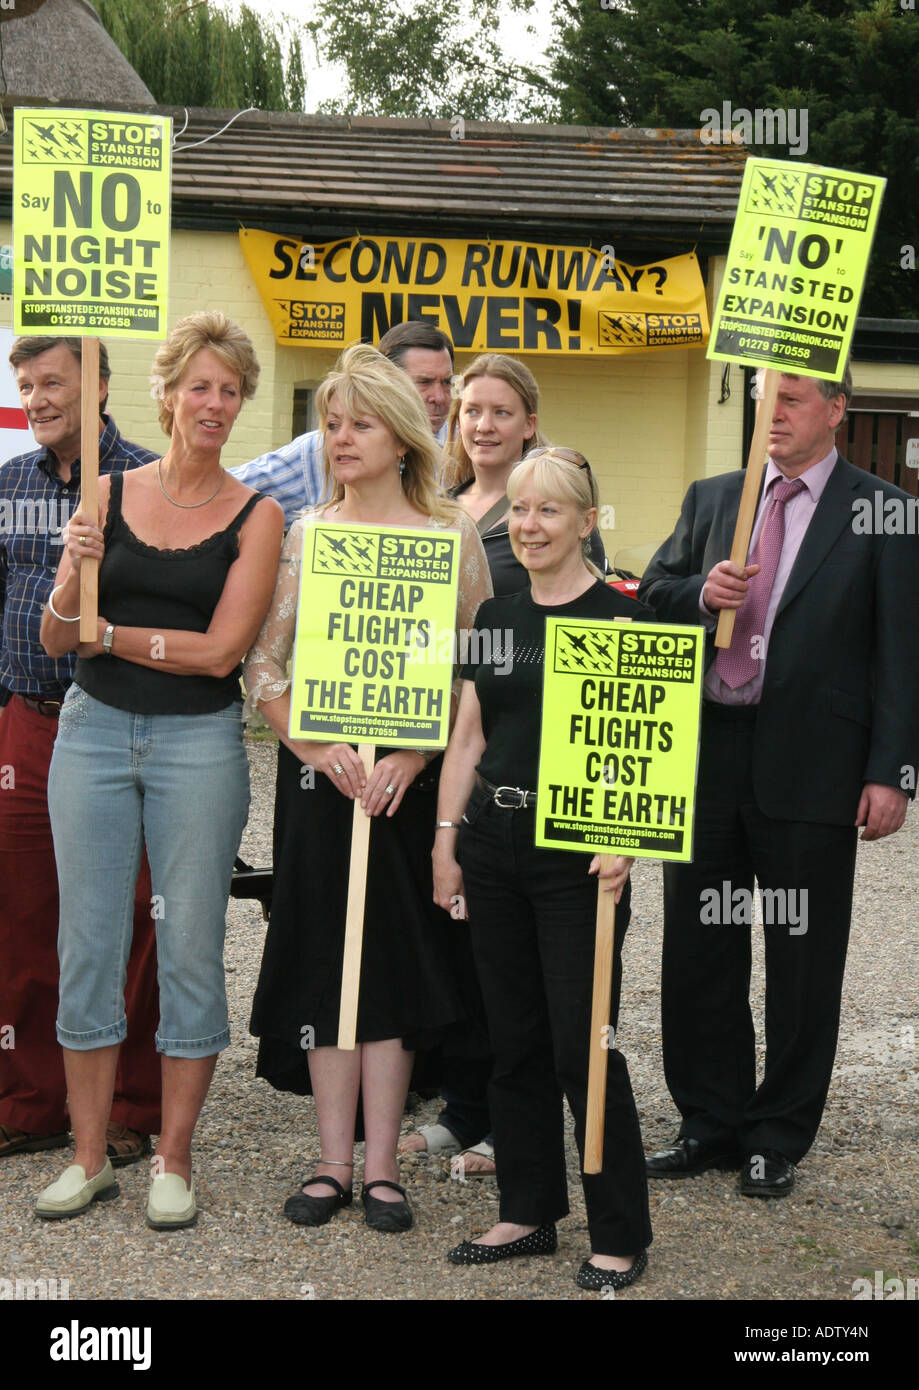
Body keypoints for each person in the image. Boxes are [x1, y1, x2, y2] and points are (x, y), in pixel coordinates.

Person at [637, 367, 919, 1198]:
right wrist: (698, 592)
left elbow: (900, 654)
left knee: (800, 959)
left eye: (792, 400)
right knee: (697, 950)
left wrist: (890, 771)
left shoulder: (883, 511)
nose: (775, 414)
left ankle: (776, 1134)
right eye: (766, 399)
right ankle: (709, 1121)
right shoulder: (713, 498)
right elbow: (648, 593)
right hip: (706, 755)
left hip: (814, 766)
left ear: (836, 411)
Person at [36, 312, 283, 1228]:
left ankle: (172, 1162)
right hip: (92, 733)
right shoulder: (104, 492)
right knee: (88, 945)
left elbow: (222, 653)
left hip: (197, 746)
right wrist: (73, 575)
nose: (215, 404)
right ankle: (90, 1156)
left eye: (230, 390)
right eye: (201, 387)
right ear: (169, 393)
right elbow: (60, 637)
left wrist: (114, 635)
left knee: (187, 950)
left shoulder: (258, 515)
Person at [244, 343, 490, 1233]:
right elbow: (264, 663)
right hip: (322, 785)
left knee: (389, 960)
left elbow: (476, 671)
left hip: (405, 786)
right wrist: (312, 748)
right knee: (323, 959)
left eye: (360, 423)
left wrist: (416, 759)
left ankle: (384, 1167)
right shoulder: (307, 533)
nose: (341, 438)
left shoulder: (450, 536)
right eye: (331, 424)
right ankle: (329, 1162)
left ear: (403, 434)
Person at [433, 447, 652, 1290]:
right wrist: (445, 842)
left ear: (586, 523)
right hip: (493, 844)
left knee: (581, 1041)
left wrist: (624, 836)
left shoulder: (622, 618)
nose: (528, 525)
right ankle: (527, 1211)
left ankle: (620, 1230)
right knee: (510, 1038)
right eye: (518, 510)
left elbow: (647, 749)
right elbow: (469, 738)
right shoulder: (496, 616)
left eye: (549, 511)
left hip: (578, 859)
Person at [0, 336, 160, 1169]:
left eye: (52, 381)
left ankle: (132, 1106)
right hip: (28, 724)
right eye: (26, 385)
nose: (36, 398)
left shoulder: (147, 483)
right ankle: (32, 1103)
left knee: (133, 917)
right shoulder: (10, 483)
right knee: (25, 912)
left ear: (97, 385)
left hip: (118, 723)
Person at [230, 321, 455, 522]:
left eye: (446, 383)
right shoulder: (317, 452)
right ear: (384, 381)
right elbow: (226, 494)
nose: (439, 397)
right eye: (424, 382)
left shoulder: (466, 454)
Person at [443, 353, 607, 596]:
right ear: (458, 421)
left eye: (501, 413)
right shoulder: (433, 509)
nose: (484, 426)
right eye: (473, 411)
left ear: (529, 425)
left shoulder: (565, 514)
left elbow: (588, 608)